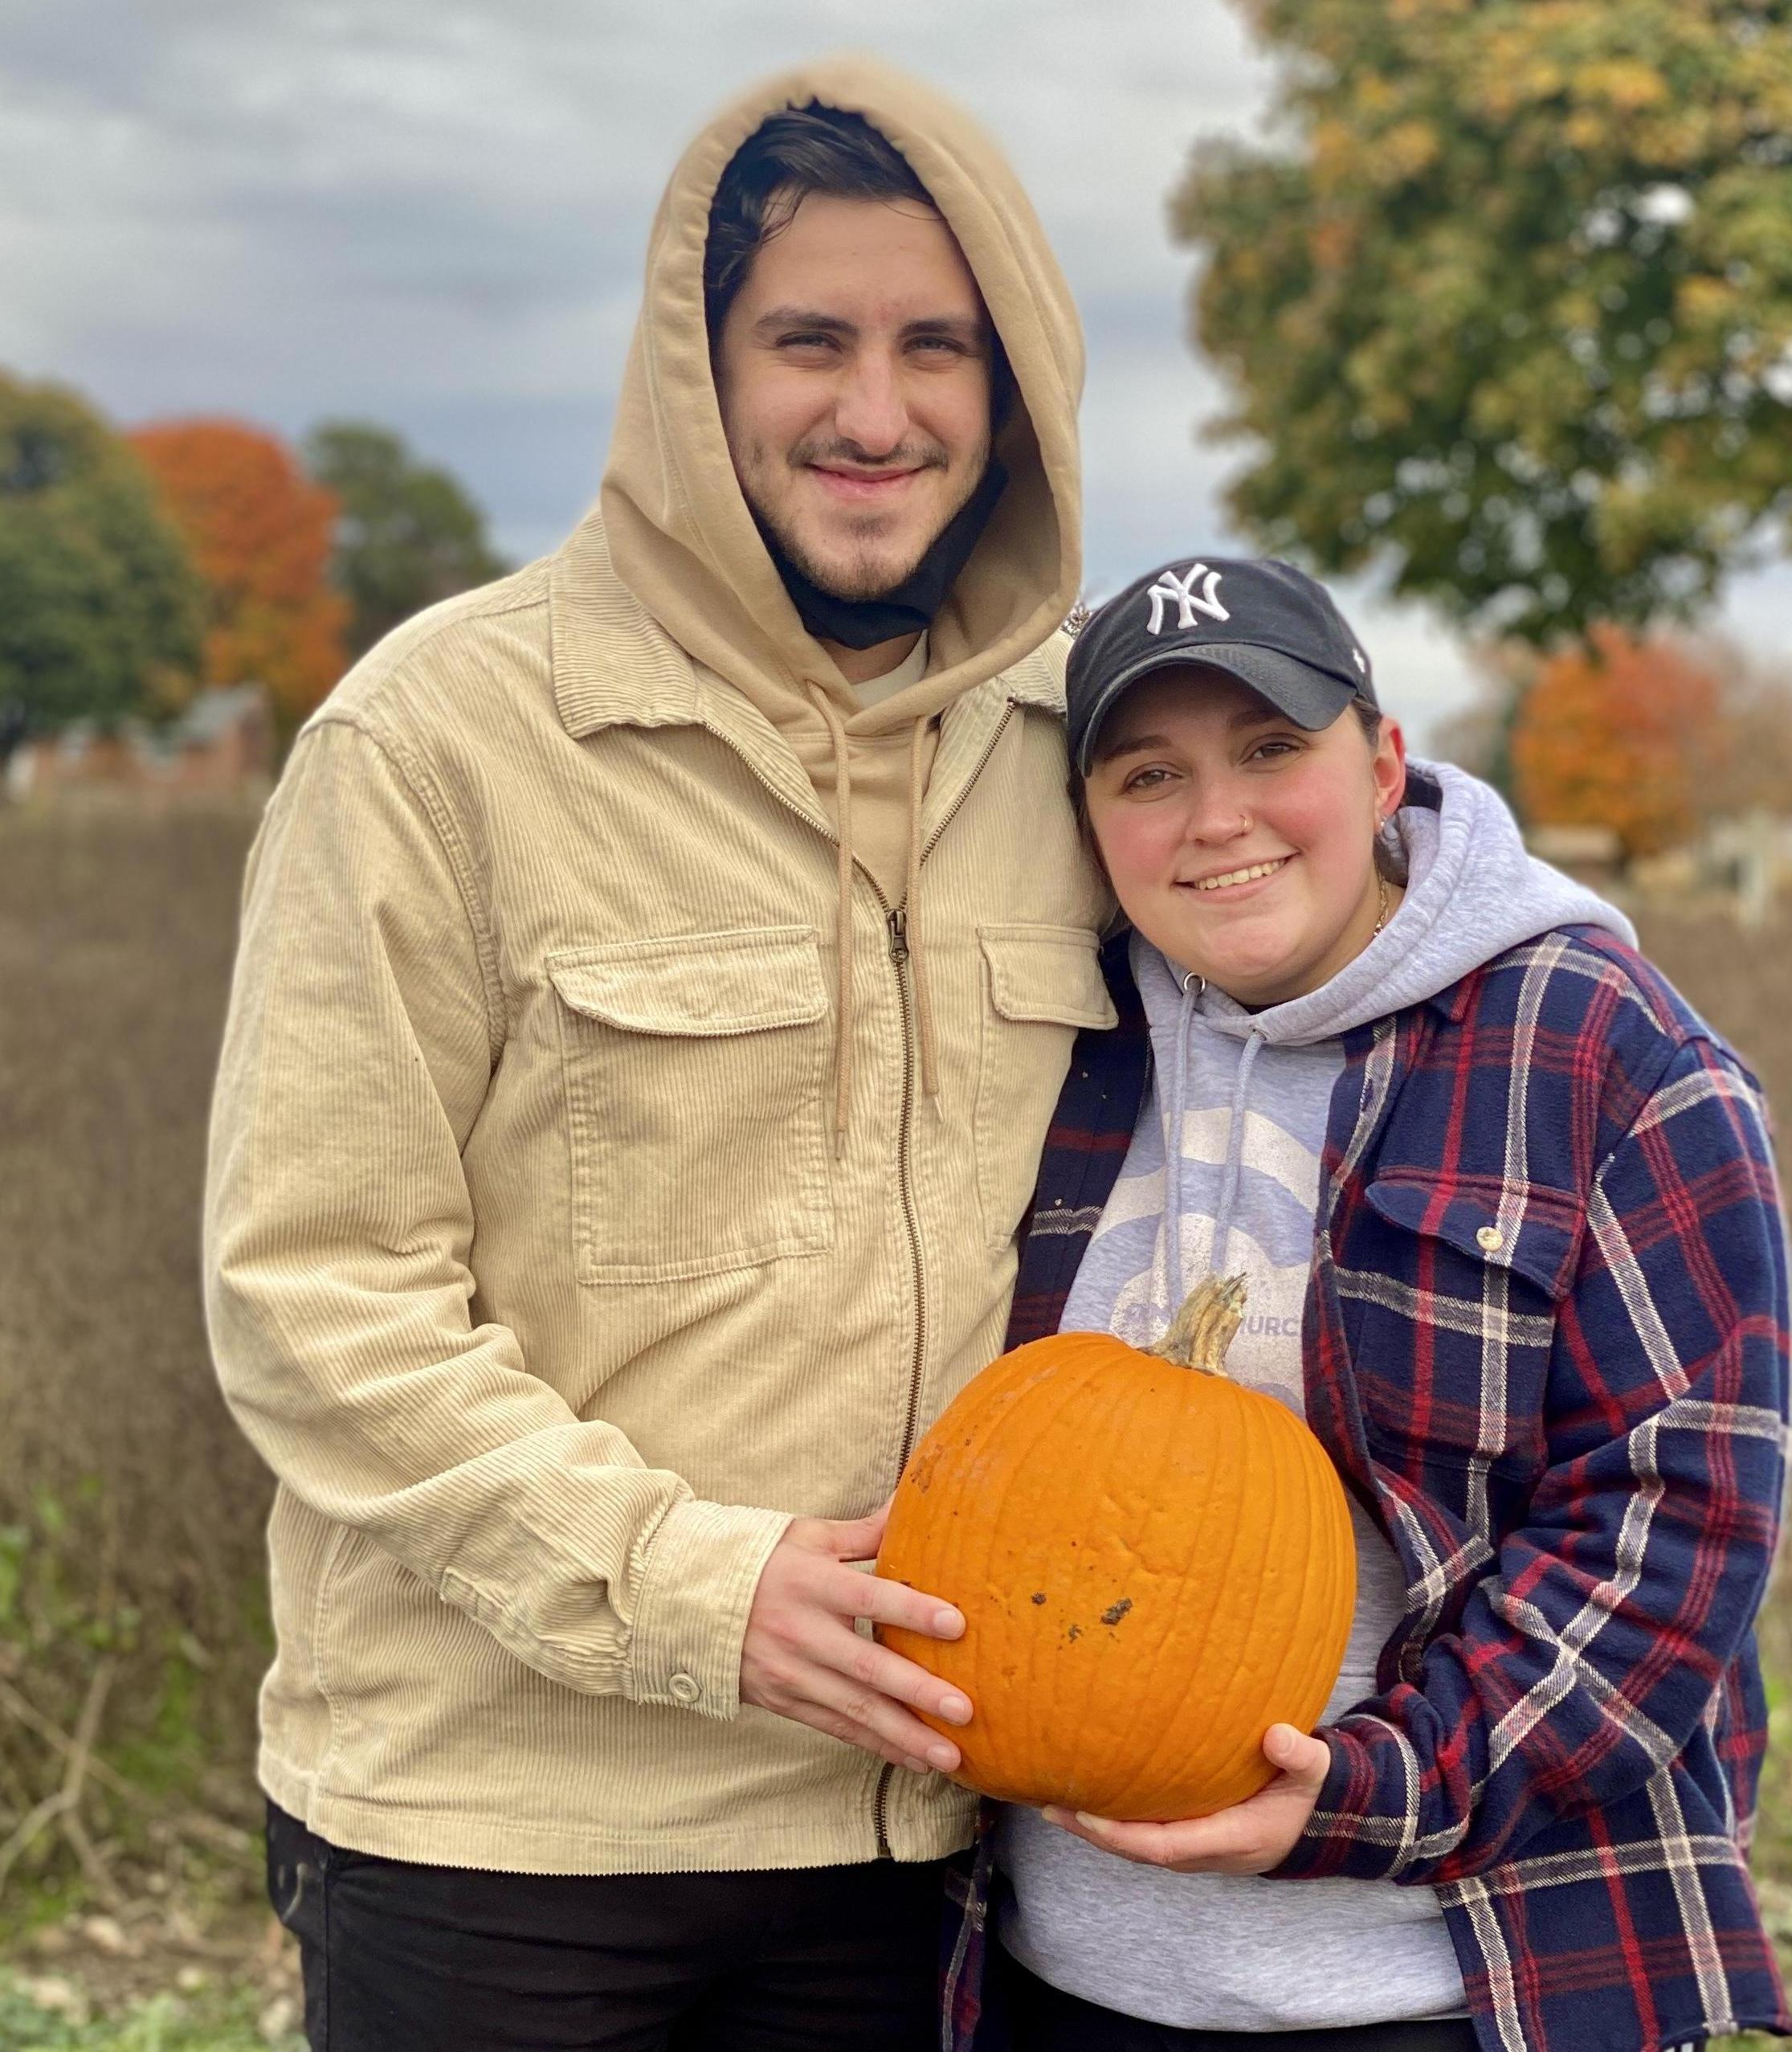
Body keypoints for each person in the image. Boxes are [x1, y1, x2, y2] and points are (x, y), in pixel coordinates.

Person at [204, 58, 1107, 2052]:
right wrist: (695, 1587)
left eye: (935, 346)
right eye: (810, 339)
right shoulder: (435, 739)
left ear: (1011, 386)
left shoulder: (1080, 754)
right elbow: (311, 1288)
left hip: (925, 1831)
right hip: (499, 1834)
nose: (875, 412)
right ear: (695, 376)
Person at [939, 558, 1792, 2052]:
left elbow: (1676, 1526)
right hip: (1049, 1963)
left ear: (1384, 760)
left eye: (1272, 750)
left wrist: (1368, 1795)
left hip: (1446, 1980)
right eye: (1151, 773)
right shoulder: (1060, 1042)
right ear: (1089, 823)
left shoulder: (1603, 1052)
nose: (1218, 817)